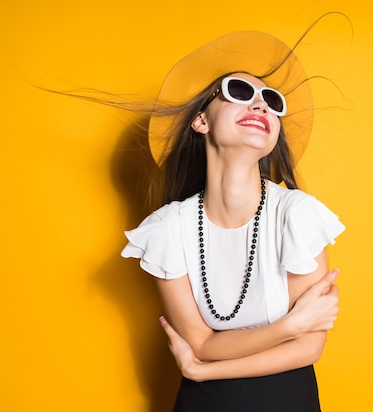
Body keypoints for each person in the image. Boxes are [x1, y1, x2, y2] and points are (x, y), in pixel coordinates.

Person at [121, 29, 345, 412]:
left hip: (287, 402)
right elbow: (202, 344)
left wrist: (202, 371)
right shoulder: (167, 231)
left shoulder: (297, 215)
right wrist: (289, 327)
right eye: (240, 91)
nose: (261, 106)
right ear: (200, 121)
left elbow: (309, 349)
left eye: (272, 102)